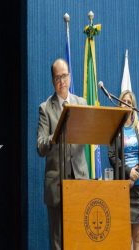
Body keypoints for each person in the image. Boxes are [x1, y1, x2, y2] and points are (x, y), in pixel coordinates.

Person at [37, 58, 89, 250]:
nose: (62, 81)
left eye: (65, 76)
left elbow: (90, 132)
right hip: (56, 184)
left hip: (79, 180)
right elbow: (40, 147)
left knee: (79, 237)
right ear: (52, 81)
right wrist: (56, 134)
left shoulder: (81, 103)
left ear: (70, 76)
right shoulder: (45, 108)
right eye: (58, 78)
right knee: (58, 242)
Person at [108, 90, 139, 250]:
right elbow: (112, 156)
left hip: (138, 188)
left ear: (133, 107)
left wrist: (133, 178)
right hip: (122, 187)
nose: (126, 103)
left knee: (138, 236)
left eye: (129, 102)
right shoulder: (115, 129)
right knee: (123, 236)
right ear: (119, 105)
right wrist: (127, 172)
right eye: (123, 101)